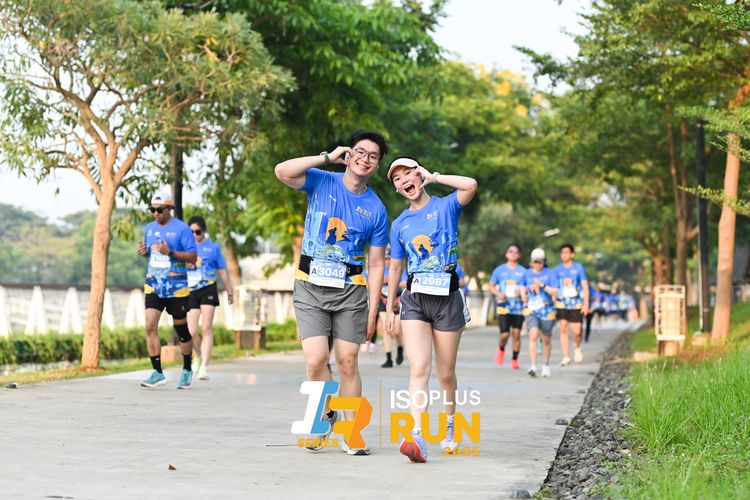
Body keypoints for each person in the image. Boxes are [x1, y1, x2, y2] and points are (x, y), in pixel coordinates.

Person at [275, 130, 389, 456]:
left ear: (377, 165)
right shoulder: (321, 180)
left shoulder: (377, 210)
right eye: (360, 152)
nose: (365, 159)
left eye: (373, 156)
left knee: (348, 361)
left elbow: (376, 263)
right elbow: (282, 171)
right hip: (310, 287)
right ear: (348, 154)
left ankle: (351, 432)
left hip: (351, 292)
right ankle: (325, 415)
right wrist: (326, 157)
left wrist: (374, 310)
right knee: (315, 361)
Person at [384, 156, 478, 463]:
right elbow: (395, 266)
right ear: (397, 188)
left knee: (445, 373)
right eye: (397, 179)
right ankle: (417, 435)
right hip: (415, 300)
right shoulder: (400, 224)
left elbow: (470, 185)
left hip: (448, 298)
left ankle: (449, 427)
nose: (404, 181)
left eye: (408, 173)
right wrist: (390, 307)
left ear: (419, 175)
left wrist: (435, 176)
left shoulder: (446, 206)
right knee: (419, 369)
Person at [137, 191, 197, 389]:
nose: (156, 213)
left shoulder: (182, 229)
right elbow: (151, 254)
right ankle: (157, 372)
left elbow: (192, 257)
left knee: (181, 330)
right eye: (153, 210)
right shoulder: (149, 228)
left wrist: (170, 252)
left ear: (170, 208)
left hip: (176, 287)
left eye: (160, 210)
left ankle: (187, 369)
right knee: (149, 325)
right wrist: (144, 252)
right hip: (154, 284)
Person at [185, 215, 234, 380]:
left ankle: (204, 366)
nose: (195, 235)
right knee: (191, 331)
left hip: (208, 288)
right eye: (191, 232)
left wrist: (229, 290)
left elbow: (222, 271)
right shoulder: (185, 248)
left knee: (206, 327)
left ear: (203, 231)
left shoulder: (213, 248)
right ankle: (197, 356)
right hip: (191, 290)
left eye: (198, 232)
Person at [521, 248, 559, 378]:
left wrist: (542, 285)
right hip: (532, 309)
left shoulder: (550, 273)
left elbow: (556, 292)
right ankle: (533, 365)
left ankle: (546, 364)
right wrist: (524, 295)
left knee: (546, 339)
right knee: (533, 334)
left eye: (540, 261)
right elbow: (522, 286)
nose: (538, 264)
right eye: (535, 261)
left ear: (544, 262)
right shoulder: (527, 273)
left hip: (547, 310)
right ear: (531, 262)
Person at [489, 244, 526, 369]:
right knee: (505, 334)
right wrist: (498, 293)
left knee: (516, 333)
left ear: (519, 255)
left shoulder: (523, 272)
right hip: (503, 306)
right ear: (506, 254)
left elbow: (527, 289)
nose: (513, 253)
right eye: (511, 251)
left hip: (518, 308)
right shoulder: (499, 270)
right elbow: (491, 286)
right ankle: (501, 349)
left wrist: (521, 292)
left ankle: (515, 359)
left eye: (516, 251)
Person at [554, 244, 589, 365]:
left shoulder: (578, 268)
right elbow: (554, 287)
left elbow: (585, 285)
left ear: (572, 254)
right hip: (562, 303)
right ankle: (566, 356)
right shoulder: (557, 269)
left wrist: (586, 303)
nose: (564, 254)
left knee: (577, 331)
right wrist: (554, 300)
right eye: (562, 252)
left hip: (576, 303)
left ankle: (577, 347)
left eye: (567, 252)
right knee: (563, 327)